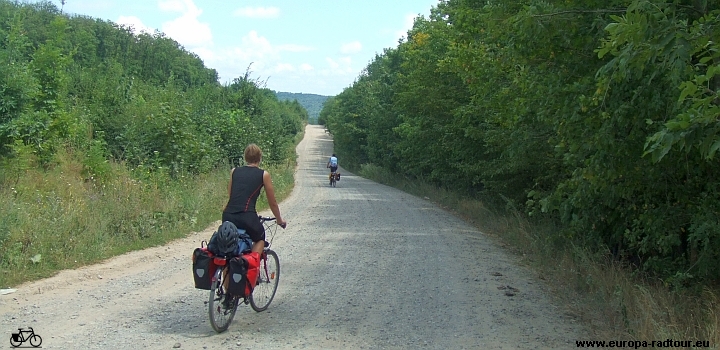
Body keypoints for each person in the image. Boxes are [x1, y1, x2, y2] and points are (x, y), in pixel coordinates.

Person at [222, 144, 287, 257]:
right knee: (260, 238)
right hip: (247, 216)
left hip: (228, 215)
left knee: (229, 252)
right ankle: (249, 267)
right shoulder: (263, 174)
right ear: (260, 158)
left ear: (245, 157)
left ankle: (229, 271)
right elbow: (272, 203)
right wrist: (279, 220)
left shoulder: (234, 171)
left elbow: (231, 195)